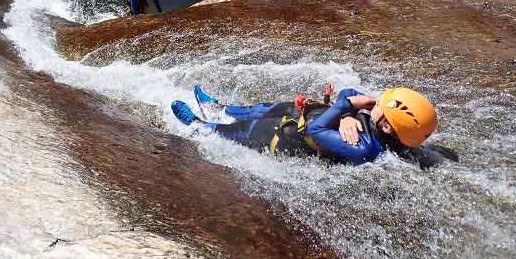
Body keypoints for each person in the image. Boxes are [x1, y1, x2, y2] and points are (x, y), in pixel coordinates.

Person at [171, 85, 450, 168]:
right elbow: (349, 91)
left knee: (247, 129)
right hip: (308, 115)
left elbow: (315, 131)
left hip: (290, 140)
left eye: (381, 104)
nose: (375, 101)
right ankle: (220, 109)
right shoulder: (385, 125)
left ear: (388, 128)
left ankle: (201, 127)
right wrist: (348, 114)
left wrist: (347, 106)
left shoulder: (366, 148)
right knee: (271, 107)